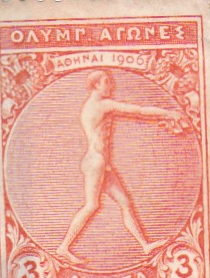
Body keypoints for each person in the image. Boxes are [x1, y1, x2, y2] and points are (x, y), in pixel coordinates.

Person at [54, 70, 187, 264]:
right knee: (92, 205)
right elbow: (138, 110)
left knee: (124, 201)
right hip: (96, 161)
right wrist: (168, 113)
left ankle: (144, 244)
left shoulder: (89, 106)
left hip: (100, 163)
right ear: (96, 85)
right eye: (107, 82)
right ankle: (63, 247)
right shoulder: (100, 105)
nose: (111, 86)